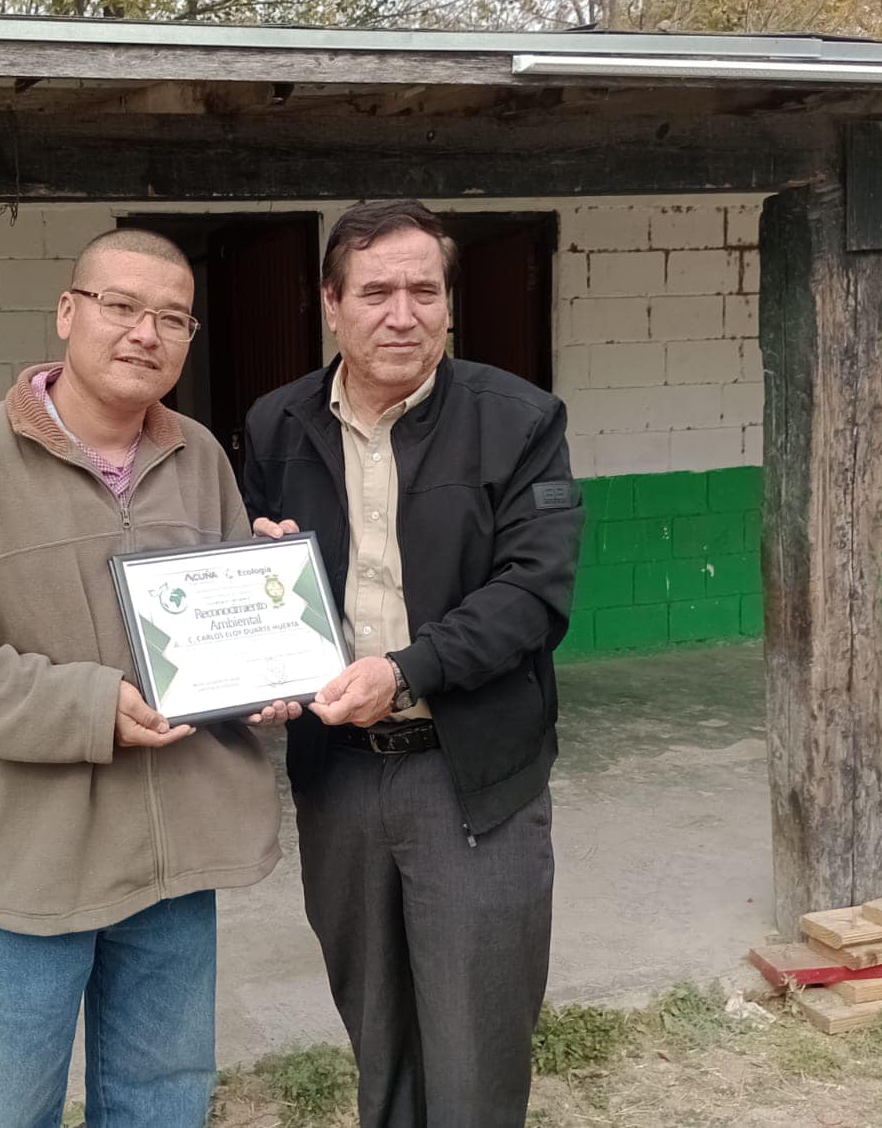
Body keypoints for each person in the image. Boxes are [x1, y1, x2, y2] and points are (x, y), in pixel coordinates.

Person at [0, 228, 293, 1128]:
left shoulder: (199, 457)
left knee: (164, 1093)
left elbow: (214, 631)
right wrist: (87, 707)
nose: (146, 333)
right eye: (121, 306)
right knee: (16, 1104)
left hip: (176, 854)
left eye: (172, 318)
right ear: (67, 313)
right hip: (32, 857)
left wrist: (275, 639)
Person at [241, 200, 584, 1127]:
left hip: (469, 774)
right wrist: (262, 646)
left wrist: (405, 670)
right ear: (331, 304)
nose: (404, 315)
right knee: (377, 1027)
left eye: (424, 291)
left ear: (448, 303)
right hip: (339, 776)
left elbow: (533, 595)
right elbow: (260, 578)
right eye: (377, 292)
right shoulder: (276, 425)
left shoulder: (518, 419)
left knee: (474, 1040)